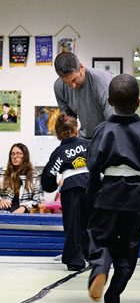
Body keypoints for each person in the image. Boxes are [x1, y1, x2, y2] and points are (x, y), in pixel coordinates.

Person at [85, 74, 140, 303]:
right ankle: (113, 296)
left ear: (109, 101)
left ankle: (100, 266)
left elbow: (93, 164)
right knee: (129, 247)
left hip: (108, 193)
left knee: (99, 237)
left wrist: (94, 193)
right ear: (139, 101)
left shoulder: (103, 129)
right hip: (136, 197)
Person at [41, 113, 90, 271]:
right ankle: (96, 256)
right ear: (77, 129)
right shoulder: (89, 144)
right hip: (92, 185)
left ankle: (75, 260)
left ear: (58, 134)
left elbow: (48, 176)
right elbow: (100, 161)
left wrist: (52, 186)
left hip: (71, 188)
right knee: (92, 223)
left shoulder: (59, 152)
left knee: (73, 225)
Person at [53, 52, 115, 139]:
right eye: (67, 83)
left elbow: (113, 122)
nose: (73, 86)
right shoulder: (59, 87)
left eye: (74, 79)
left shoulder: (103, 82)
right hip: (84, 137)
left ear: (81, 68)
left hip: (106, 137)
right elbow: (69, 121)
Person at [0, 143, 43, 213]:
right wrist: (0, 200)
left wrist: (24, 207)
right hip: (3, 209)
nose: (14, 156)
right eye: (12, 154)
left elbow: (38, 199)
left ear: (25, 156)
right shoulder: (2, 172)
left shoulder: (35, 175)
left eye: (19, 153)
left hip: (23, 211)